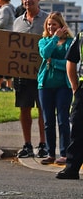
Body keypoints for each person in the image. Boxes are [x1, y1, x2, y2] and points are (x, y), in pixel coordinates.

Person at [13, 0, 48, 158]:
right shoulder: (17, 21)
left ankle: (43, 144)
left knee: (43, 108)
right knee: (24, 108)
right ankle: (27, 144)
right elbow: (11, 45)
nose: (28, 1)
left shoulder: (48, 19)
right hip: (22, 73)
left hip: (43, 73)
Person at [37, 12, 73, 165]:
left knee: (63, 119)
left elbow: (68, 64)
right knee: (48, 120)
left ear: (61, 26)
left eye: (54, 25)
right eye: (49, 24)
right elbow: (45, 53)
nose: (51, 27)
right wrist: (54, 38)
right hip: (45, 86)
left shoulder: (70, 42)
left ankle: (65, 153)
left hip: (63, 86)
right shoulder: (44, 41)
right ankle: (51, 153)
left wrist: (54, 63)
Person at [57, 30, 83, 179]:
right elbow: (71, 62)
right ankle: (72, 169)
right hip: (82, 91)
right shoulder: (81, 36)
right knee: (78, 129)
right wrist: (74, 87)